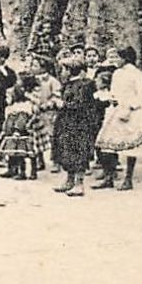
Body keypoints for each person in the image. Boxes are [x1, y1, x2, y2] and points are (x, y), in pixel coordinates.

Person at [93, 45, 142, 191]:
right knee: (107, 145)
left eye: (118, 57)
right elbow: (115, 91)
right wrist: (112, 99)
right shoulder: (117, 73)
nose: (115, 60)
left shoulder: (137, 74)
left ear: (125, 58)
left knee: (131, 147)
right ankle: (109, 177)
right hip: (116, 111)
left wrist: (131, 106)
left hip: (131, 113)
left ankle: (128, 179)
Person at [52, 50, 99, 195]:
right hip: (66, 122)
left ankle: (79, 183)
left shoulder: (84, 85)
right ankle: (69, 180)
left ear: (70, 70)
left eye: (63, 69)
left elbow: (79, 105)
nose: (62, 73)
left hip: (79, 124)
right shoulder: (68, 84)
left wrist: (62, 104)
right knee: (66, 151)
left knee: (78, 152)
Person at [0, 84, 40, 180]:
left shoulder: (24, 107)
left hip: (21, 135)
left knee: (21, 154)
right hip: (11, 135)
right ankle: (12, 169)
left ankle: (25, 172)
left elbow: (22, 120)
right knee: (12, 152)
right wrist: (4, 130)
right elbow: (7, 120)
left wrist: (17, 130)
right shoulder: (12, 107)